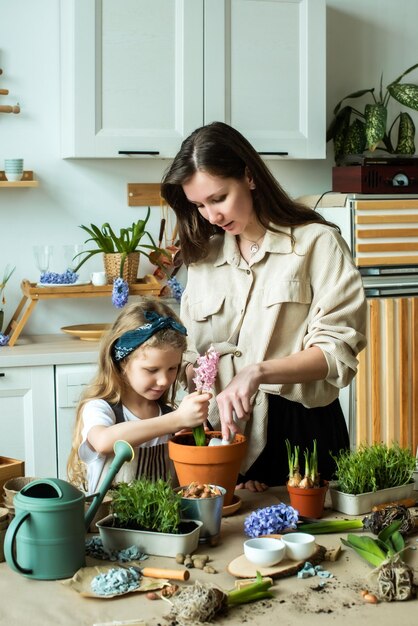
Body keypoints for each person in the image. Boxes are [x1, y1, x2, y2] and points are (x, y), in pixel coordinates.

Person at [160, 121, 367, 493]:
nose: (212, 216)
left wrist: (257, 372)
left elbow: (337, 354)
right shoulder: (203, 258)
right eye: (198, 205)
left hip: (302, 432)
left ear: (250, 176)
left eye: (219, 198)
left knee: (312, 547)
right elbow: (190, 353)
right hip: (222, 433)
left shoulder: (316, 244)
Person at [67, 298, 211, 494]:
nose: (163, 380)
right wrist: (175, 420)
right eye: (152, 370)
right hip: (109, 523)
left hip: (163, 523)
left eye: (172, 368)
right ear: (123, 362)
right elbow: (103, 442)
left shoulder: (169, 415)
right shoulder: (100, 408)